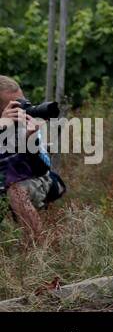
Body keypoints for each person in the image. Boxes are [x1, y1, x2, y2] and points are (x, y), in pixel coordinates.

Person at [0, 76, 54, 244]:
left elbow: (43, 169)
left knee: (16, 190)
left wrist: (31, 143)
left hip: (31, 180)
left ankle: (40, 249)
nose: (23, 109)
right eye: (15, 106)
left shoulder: (27, 123)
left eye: (23, 102)